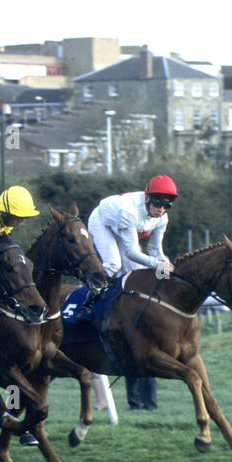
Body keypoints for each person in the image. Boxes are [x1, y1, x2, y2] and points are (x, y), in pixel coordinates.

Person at [85, 174, 178, 410]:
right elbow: (130, 253)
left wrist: (168, 266)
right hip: (103, 222)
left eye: (167, 205)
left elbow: (156, 249)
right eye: (158, 203)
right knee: (115, 265)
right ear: (147, 198)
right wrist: (158, 265)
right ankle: (88, 299)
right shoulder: (128, 211)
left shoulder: (162, 217)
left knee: (136, 275)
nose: (162, 209)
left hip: (123, 230)